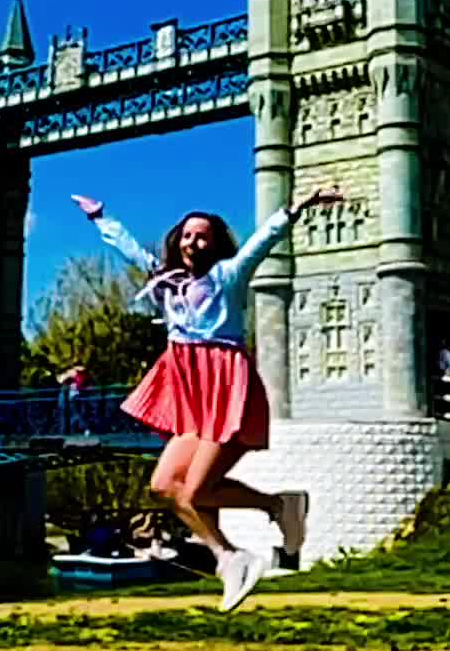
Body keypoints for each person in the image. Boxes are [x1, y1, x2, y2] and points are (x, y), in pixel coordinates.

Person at [73, 187, 338, 612]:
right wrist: (100, 218)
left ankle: (277, 505)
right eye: (187, 235)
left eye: (202, 236)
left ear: (214, 244)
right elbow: (130, 250)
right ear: (177, 240)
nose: (193, 242)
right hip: (190, 390)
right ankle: (229, 556)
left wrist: (296, 208)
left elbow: (263, 241)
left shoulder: (229, 276)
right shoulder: (165, 278)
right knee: (164, 487)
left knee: (196, 490)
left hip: (224, 384)